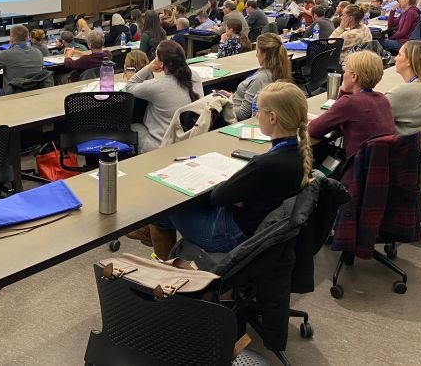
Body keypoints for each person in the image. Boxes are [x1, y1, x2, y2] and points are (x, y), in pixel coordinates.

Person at [150, 82, 311, 258]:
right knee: (162, 219)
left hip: (228, 234)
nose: (256, 116)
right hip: (254, 227)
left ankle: (167, 273)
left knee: (163, 210)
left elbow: (217, 197)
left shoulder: (264, 164)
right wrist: (240, 196)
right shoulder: (302, 155)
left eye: (259, 111)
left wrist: (236, 194)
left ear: (272, 118)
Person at [309, 50, 396, 158]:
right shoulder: (383, 99)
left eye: (345, 71)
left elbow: (313, 130)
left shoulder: (349, 103)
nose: (343, 74)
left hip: (357, 167)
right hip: (381, 164)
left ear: (354, 76)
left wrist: (344, 91)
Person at [125, 40, 204, 153]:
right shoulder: (195, 76)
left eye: (156, 56)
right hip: (188, 139)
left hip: (160, 145)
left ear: (161, 63)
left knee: (132, 126)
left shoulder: (157, 86)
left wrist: (148, 68)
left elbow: (130, 85)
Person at [217, 33, 292, 120]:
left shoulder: (260, 79)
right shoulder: (278, 70)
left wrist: (223, 103)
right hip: (235, 102)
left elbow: (242, 115)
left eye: (257, 51)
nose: (256, 55)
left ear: (265, 55)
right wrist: (231, 97)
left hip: (232, 118)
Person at [0, 25, 44, 95]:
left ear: (11, 39)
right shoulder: (38, 53)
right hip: (34, 91)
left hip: (13, 93)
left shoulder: (6, 54)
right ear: (28, 38)